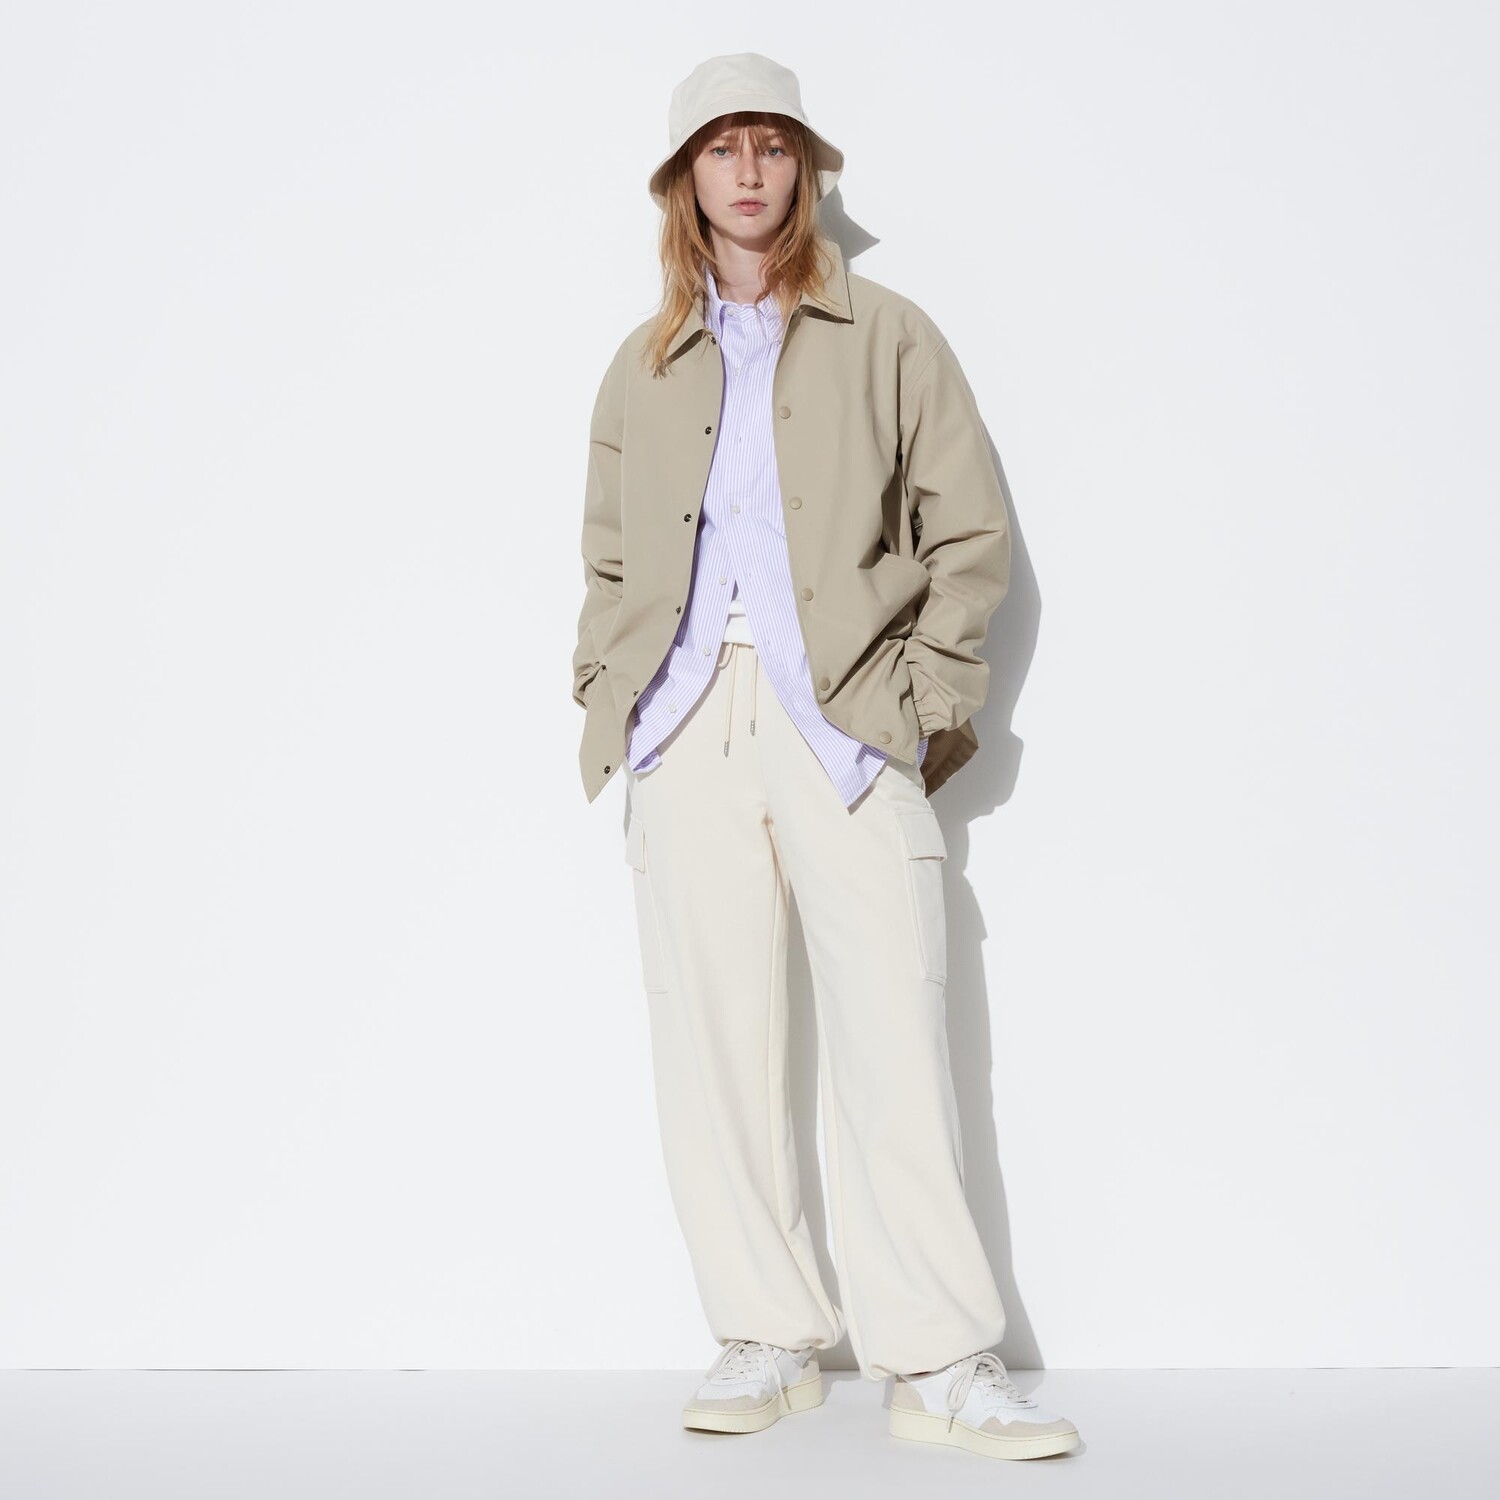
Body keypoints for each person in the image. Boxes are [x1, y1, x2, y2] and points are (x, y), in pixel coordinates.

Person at [570, 52, 1081, 1463]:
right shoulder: (643, 362)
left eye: (772, 145)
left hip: (846, 720)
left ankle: (943, 1359)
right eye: (720, 148)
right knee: (712, 1044)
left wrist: (923, 700)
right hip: (684, 727)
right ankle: (767, 1335)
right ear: (684, 181)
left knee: (895, 1035)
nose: (748, 171)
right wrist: (610, 695)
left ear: (804, 168)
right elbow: (606, 554)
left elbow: (970, 535)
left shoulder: (891, 334)